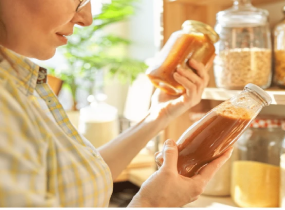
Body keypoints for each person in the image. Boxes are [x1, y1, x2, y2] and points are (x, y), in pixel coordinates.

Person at [0, 0, 233, 207]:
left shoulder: (16, 83)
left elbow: (76, 181)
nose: (86, 18)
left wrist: (159, 115)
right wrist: (152, 204)